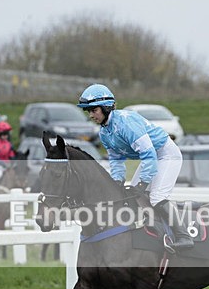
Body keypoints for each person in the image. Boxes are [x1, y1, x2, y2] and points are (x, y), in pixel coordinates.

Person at [77, 83, 193, 251]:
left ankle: (183, 236)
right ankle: (150, 232)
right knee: (132, 195)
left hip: (166, 154)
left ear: (106, 107)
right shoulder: (104, 133)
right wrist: (117, 181)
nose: (91, 115)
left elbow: (149, 154)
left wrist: (143, 183)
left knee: (157, 197)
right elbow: (116, 159)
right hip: (151, 157)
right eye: (88, 111)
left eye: (94, 110)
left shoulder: (126, 123)